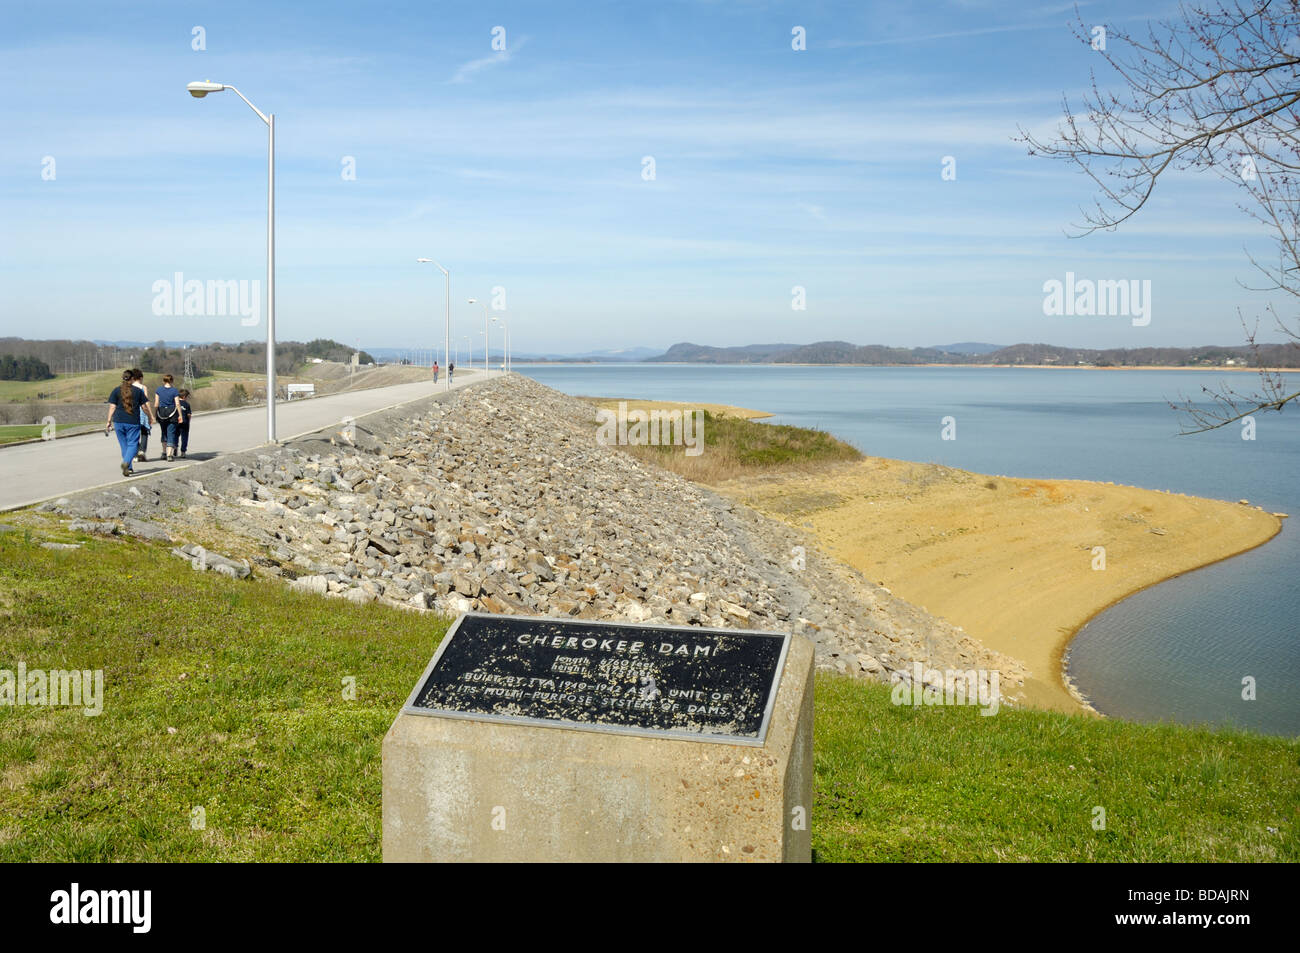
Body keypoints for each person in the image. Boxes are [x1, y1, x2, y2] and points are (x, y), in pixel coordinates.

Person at [105, 370, 155, 477]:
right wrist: (150, 416)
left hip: (118, 422)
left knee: (124, 446)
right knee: (132, 444)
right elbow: (144, 407)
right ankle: (126, 463)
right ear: (132, 379)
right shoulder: (138, 391)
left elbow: (112, 407)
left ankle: (129, 468)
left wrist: (109, 421)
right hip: (132, 422)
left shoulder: (116, 390)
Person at [153, 374, 183, 461]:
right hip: (172, 413)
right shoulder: (174, 390)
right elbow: (177, 403)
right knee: (171, 432)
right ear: (172, 381)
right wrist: (180, 415)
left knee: (163, 432)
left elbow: (156, 403)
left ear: (163, 381)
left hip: (161, 413)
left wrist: (155, 414)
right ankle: (169, 455)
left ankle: (164, 453)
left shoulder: (158, 390)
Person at [131, 369, 151, 462]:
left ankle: (135, 455)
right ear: (140, 377)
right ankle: (142, 451)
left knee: (133, 435)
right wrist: (150, 415)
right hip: (142, 412)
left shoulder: (129, 387)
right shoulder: (143, 387)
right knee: (144, 432)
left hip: (132, 412)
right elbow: (146, 402)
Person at [176, 389, 193, 458]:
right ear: (184, 397)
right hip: (185, 423)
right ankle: (183, 452)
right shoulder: (186, 404)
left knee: (175, 436)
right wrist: (189, 420)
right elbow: (189, 414)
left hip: (176, 422)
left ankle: (174, 448)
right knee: (184, 437)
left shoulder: (175, 403)